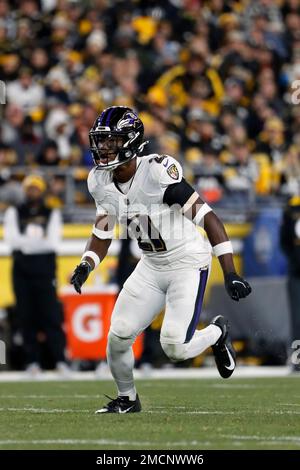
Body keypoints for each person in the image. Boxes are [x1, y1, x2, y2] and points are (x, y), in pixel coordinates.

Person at [71, 106, 252, 413]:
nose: (103, 148)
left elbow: (208, 218)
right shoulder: (99, 181)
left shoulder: (156, 172)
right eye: (101, 141)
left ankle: (217, 332)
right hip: (151, 265)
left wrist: (230, 271)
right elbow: (102, 229)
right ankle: (127, 399)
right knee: (118, 336)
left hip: (186, 261)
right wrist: (87, 263)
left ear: (130, 142)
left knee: (175, 347)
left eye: (111, 141)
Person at [4, 174, 68, 375]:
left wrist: (27, 243)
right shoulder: (14, 212)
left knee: (51, 317)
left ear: (41, 190)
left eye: (36, 188)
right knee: (26, 317)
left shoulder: (52, 213)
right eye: (30, 188)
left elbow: (53, 243)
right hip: (22, 271)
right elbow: (12, 241)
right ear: (25, 190)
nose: (33, 191)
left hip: (45, 269)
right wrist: (37, 240)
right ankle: (31, 362)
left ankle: (60, 360)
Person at [280, 196, 300, 372]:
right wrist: (295, 259)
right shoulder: (291, 208)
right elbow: (284, 240)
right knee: (297, 318)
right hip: (297, 273)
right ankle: (297, 359)